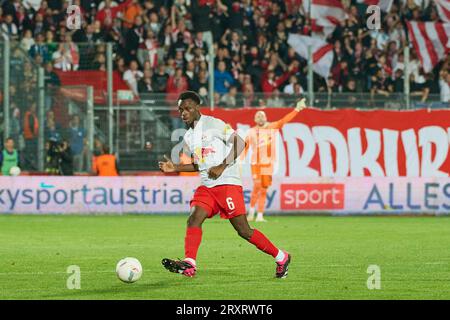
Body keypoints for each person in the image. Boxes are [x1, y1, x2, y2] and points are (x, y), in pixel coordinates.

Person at [158, 91, 291, 278]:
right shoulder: (189, 136)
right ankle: (189, 263)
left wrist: (222, 165)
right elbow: (199, 164)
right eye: (180, 110)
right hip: (207, 186)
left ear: (197, 108)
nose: (183, 113)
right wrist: (175, 167)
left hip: (227, 183)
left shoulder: (214, 124)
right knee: (193, 219)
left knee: (244, 231)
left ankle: (281, 257)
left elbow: (240, 143)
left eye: (187, 108)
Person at [243, 98, 307, 222]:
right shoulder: (251, 132)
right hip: (255, 163)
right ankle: (251, 213)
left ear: (266, 118)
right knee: (257, 186)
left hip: (268, 164)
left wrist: (297, 109)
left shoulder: (272, 127)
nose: (260, 118)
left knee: (264, 189)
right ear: (255, 119)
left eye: (262, 116)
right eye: (258, 116)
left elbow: (285, 120)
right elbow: (245, 147)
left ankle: (260, 215)